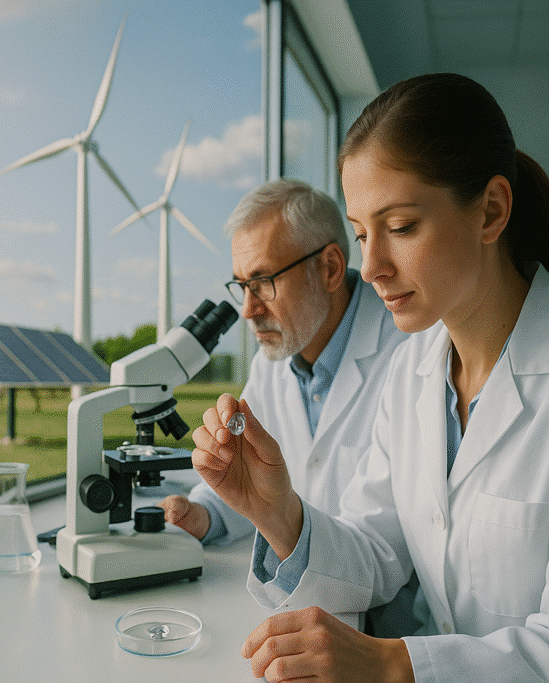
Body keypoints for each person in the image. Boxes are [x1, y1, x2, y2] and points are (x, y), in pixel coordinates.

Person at [192, 72, 549, 682]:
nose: (373, 267)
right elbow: (380, 550)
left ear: (491, 211)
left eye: (402, 227)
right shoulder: (412, 372)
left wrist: (392, 665)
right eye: (361, 235)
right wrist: (278, 514)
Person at [156, 178, 419, 637]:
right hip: (310, 602)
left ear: (331, 268)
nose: (247, 310)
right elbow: (257, 485)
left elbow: (383, 544)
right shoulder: (273, 363)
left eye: (262, 282)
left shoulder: (410, 351)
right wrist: (207, 513)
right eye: (241, 286)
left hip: (393, 627)